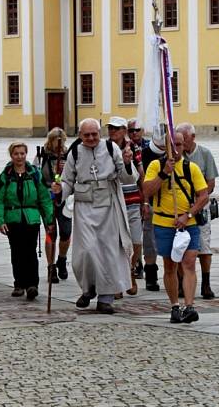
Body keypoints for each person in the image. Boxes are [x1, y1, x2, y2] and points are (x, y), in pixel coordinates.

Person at [53, 118, 135, 314]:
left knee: (108, 252)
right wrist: (58, 191)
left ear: (99, 133)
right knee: (87, 251)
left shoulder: (111, 148)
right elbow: (67, 181)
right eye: (86, 135)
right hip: (84, 207)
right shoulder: (75, 152)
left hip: (108, 206)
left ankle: (106, 298)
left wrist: (127, 162)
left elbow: (127, 177)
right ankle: (88, 289)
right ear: (80, 135)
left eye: (94, 134)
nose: (91, 138)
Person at [143, 131, 209, 323]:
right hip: (164, 223)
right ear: (166, 147)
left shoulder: (191, 167)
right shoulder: (155, 166)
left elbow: (203, 196)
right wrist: (164, 173)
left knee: (189, 263)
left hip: (188, 224)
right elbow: (147, 191)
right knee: (170, 266)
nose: (177, 149)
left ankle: (189, 306)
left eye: (180, 145)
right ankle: (174, 305)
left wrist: (188, 214)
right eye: (173, 145)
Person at [0, 142, 55, 300]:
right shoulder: (5, 175)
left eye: (22, 153)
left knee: (30, 251)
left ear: (26, 154)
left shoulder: (35, 174)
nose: (19, 157)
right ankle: (19, 283)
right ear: (11, 155)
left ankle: (32, 285)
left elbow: (44, 198)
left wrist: (49, 219)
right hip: (12, 218)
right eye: (16, 154)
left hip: (31, 218)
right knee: (17, 251)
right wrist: (0, 220)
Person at [177, 122, 219, 299]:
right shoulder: (175, 155)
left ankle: (206, 282)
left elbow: (211, 183)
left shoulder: (204, 154)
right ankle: (180, 283)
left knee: (204, 245)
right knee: (179, 245)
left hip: (200, 207)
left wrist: (199, 197)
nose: (181, 143)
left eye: (184, 139)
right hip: (180, 208)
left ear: (193, 137)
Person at [107, 116, 145, 296]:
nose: (112, 131)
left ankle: (130, 269)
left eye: (116, 128)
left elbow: (141, 174)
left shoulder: (133, 148)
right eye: (110, 128)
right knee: (115, 244)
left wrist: (144, 200)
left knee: (137, 241)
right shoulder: (104, 148)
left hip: (132, 200)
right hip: (114, 202)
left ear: (123, 130)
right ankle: (118, 281)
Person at [34, 128, 71, 283]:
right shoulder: (42, 156)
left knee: (66, 232)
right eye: (56, 140)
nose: (58, 144)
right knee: (51, 232)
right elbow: (35, 175)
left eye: (61, 140)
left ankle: (62, 259)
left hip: (64, 199)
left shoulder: (68, 155)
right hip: (47, 199)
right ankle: (51, 266)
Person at [129, 118, 160, 292]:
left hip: (146, 196)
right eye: (131, 131)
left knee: (146, 236)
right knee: (137, 236)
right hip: (132, 197)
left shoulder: (149, 149)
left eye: (136, 130)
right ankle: (137, 265)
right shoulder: (125, 148)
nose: (134, 133)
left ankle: (146, 269)